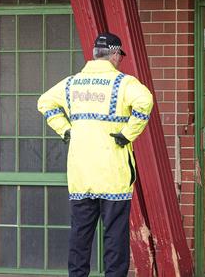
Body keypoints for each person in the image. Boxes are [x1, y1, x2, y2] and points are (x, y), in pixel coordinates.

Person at [38, 32, 153, 276]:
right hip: (114, 174)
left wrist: (65, 129)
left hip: (81, 173)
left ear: (93, 55)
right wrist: (128, 133)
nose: (119, 60)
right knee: (115, 237)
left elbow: (45, 102)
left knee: (80, 235)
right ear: (113, 55)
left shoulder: (71, 83)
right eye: (119, 56)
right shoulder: (124, 83)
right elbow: (145, 101)